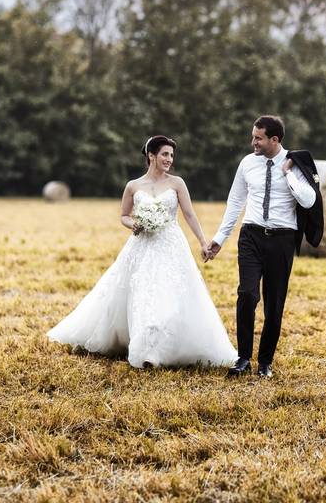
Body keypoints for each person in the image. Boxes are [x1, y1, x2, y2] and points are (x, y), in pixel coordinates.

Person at [47, 135, 237, 369]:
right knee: (143, 292)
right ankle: (144, 346)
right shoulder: (133, 186)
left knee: (168, 293)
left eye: (171, 155)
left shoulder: (177, 183)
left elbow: (189, 214)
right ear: (151, 156)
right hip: (142, 246)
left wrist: (202, 241)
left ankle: (159, 348)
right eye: (165, 154)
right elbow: (124, 215)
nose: (169, 159)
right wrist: (133, 224)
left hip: (170, 245)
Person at [207, 116, 317, 379]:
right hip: (251, 236)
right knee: (247, 294)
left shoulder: (296, 163)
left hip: (282, 239)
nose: (252, 142)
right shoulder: (247, 163)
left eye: (258, 138)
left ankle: (265, 362)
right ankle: (243, 358)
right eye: (253, 136)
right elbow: (235, 202)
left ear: (274, 140)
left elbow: (309, 200)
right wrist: (220, 238)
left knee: (274, 303)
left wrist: (288, 173)